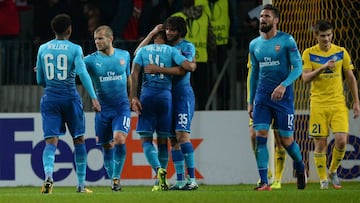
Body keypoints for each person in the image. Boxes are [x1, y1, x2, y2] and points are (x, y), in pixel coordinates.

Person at [36, 13, 101, 194]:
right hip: (70, 97)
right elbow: (83, 74)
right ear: (69, 30)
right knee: (79, 139)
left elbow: (40, 79)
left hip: (50, 99)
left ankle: (49, 176)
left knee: (51, 141)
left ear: (53, 30)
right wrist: (94, 97)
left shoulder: (43, 48)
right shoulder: (75, 49)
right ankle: (80, 185)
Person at [248, 4, 306, 191]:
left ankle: (300, 165)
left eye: (267, 16)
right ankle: (264, 181)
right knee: (260, 135)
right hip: (262, 97)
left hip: (283, 97)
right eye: (261, 16)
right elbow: (254, 74)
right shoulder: (254, 44)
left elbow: (298, 68)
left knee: (286, 141)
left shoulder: (287, 41)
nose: (262, 19)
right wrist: (250, 101)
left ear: (276, 20)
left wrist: (284, 85)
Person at [129, 30, 196, 191]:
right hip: (167, 98)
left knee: (146, 139)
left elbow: (134, 73)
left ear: (153, 38)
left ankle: (159, 171)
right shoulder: (172, 50)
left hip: (148, 97)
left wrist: (133, 97)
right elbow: (187, 66)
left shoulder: (144, 50)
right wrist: (192, 63)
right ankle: (172, 181)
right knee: (164, 140)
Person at [301, 19, 360, 189]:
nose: (326, 39)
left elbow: (350, 78)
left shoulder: (341, 52)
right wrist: (322, 67)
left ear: (332, 34)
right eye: (322, 36)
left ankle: (333, 171)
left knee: (341, 140)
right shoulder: (308, 53)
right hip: (318, 104)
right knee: (320, 144)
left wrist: (356, 102)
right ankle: (323, 180)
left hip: (338, 103)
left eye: (328, 35)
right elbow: (305, 78)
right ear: (315, 36)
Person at [84, 25, 131, 192]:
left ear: (110, 39)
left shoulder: (124, 55)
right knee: (106, 145)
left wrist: (132, 98)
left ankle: (117, 178)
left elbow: (129, 78)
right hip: (102, 110)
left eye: (100, 38)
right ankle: (113, 180)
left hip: (121, 107)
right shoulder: (90, 60)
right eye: (95, 39)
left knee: (119, 139)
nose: (97, 42)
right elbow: (74, 69)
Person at [246, 54, 286, 189]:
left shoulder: (283, 47)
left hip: (278, 99)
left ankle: (278, 179)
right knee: (253, 136)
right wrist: (250, 100)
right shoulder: (256, 48)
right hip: (260, 98)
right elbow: (251, 76)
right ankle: (265, 172)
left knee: (279, 139)